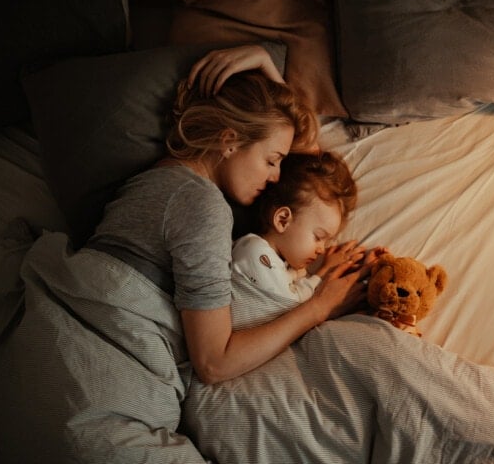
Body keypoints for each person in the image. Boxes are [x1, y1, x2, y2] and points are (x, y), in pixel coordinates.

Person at [87, 44, 371, 385]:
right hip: (109, 369)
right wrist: (320, 307)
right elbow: (214, 364)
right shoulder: (202, 205)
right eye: (272, 161)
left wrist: (268, 68)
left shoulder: (162, 177)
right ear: (230, 141)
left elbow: (311, 169)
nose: (277, 177)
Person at [228, 151, 380, 330]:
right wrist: (322, 273)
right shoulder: (253, 249)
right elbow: (292, 307)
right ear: (283, 220)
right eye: (319, 237)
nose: (321, 249)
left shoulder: (284, 266)